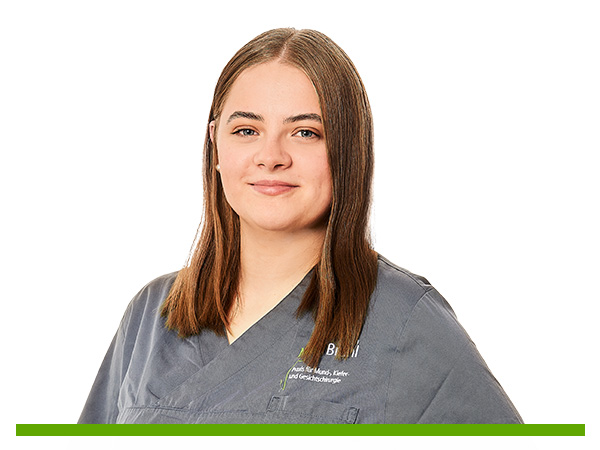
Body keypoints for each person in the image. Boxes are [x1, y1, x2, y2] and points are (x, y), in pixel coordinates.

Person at [78, 28, 523, 424]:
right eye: (246, 130)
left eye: (306, 132)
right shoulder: (151, 316)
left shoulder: (405, 320)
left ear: (347, 150)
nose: (271, 156)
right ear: (215, 145)